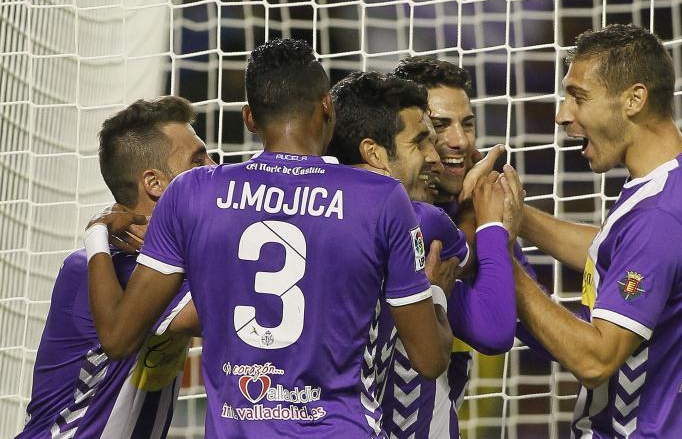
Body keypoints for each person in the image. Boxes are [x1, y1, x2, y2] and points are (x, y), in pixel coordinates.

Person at [83, 38, 455, 438]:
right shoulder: (380, 198)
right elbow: (429, 360)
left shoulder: (191, 193)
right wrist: (434, 298)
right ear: (327, 105)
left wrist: (95, 236)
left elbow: (118, 339)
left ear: (249, 118)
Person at [499, 24, 682, 437]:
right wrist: (519, 217)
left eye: (579, 97)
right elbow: (626, 254)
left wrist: (500, 256)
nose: (563, 115)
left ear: (634, 99)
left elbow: (595, 361)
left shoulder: (658, 217)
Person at [326, 71, 517, 438]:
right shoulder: (423, 224)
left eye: (468, 124)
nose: (445, 149)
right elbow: (494, 329)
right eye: (426, 136)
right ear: (375, 151)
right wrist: (490, 223)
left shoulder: (317, 209)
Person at [17, 96, 212, 438]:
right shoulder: (122, 269)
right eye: (198, 161)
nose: (213, 168)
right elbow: (233, 309)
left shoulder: (166, 261)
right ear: (154, 184)